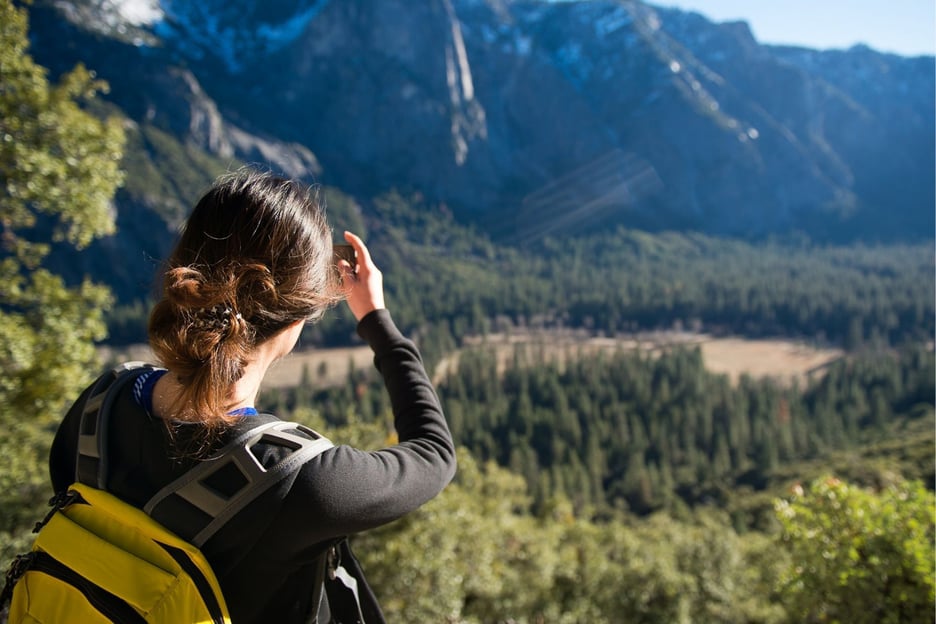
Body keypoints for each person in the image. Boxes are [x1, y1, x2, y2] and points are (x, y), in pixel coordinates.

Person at [48, 168, 457, 622]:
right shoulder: (302, 483)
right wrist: (377, 321)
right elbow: (435, 455)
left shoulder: (97, 409)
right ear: (301, 314)